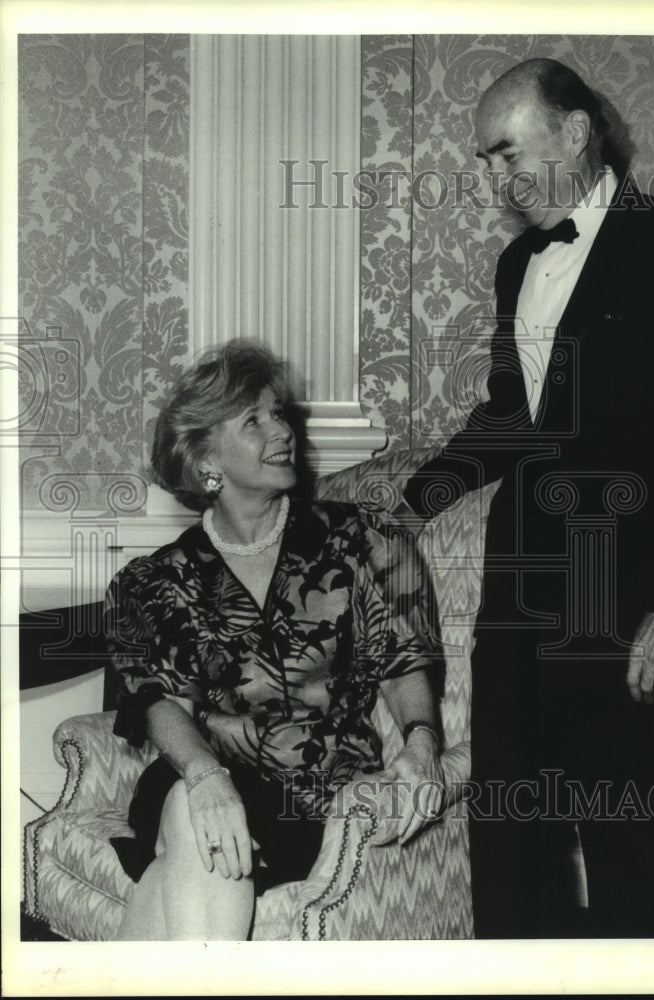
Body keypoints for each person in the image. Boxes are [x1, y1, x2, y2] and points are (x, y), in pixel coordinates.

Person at [399, 58, 654, 937]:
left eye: (508, 151)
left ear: (577, 130)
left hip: (640, 601)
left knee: (629, 850)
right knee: (511, 842)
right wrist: (410, 503)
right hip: (525, 596)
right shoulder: (519, 262)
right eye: (484, 160)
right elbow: (511, 417)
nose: (495, 178)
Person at [105, 340, 445, 941]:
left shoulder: (360, 540)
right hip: (207, 776)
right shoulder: (158, 580)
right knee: (192, 807)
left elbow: (402, 662)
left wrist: (420, 745)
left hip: (324, 797)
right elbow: (159, 702)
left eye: (278, 413)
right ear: (206, 461)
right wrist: (208, 777)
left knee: (176, 872)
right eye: (254, 420)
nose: (281, 430)